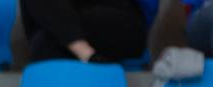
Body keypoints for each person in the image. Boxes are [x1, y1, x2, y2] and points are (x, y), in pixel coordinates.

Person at [20, 0, 154, 62]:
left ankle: (82, 50)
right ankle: (86, 53)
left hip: (120, 19)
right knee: (44, 44)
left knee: (44, 44)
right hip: (66, 18)